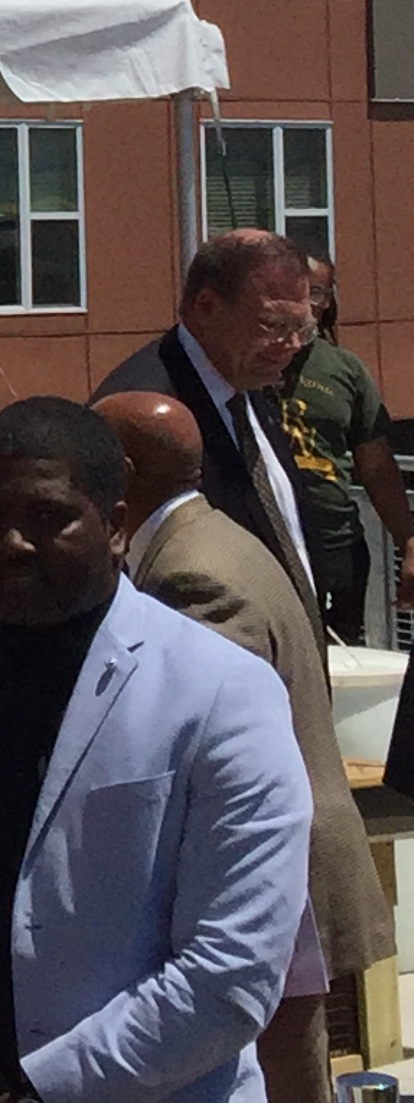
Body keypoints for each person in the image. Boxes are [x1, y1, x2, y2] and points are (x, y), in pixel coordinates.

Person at [0, 397, 311, 1103]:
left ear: (115, 526)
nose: (13, 542)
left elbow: (232, 971)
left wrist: (43, 1093)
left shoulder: (222, 692)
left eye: (47, 517)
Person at [100, 390, 387, 1103]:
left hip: (272, 882)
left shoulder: (190, 574)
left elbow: (208, 752)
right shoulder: (218, 534)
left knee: (280, 1076)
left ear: (123, 470)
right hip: (292, 864)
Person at [93, 230, 321, 622]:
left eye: (302, 328)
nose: (293, 344)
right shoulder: (144, 414)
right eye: (273, 324)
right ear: (207, 306)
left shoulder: (248, 384)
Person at [278, 254, 414, 639]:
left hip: (336, 546)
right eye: (297, 290)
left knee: (342, 655)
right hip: (267, 546)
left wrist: (409, 542)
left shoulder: (345, 370)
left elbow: (377, 469)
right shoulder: (243, 361)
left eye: (317, 292)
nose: (307, 304)